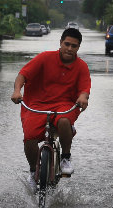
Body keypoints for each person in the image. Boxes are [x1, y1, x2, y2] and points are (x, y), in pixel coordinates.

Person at [11, 27, 91, 186]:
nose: (69, 48)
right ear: (60, 43)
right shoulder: (45, 58)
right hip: (36, 104)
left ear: (78, 47)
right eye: (67, 44)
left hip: (65, 104)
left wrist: (83, 97)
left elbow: (84, 89)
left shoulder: (81, 66)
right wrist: (16, 91)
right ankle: (34, 171)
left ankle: (65, 159)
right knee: (29, 138)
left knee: (63, 121)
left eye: (74, 46)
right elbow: (23, 74)